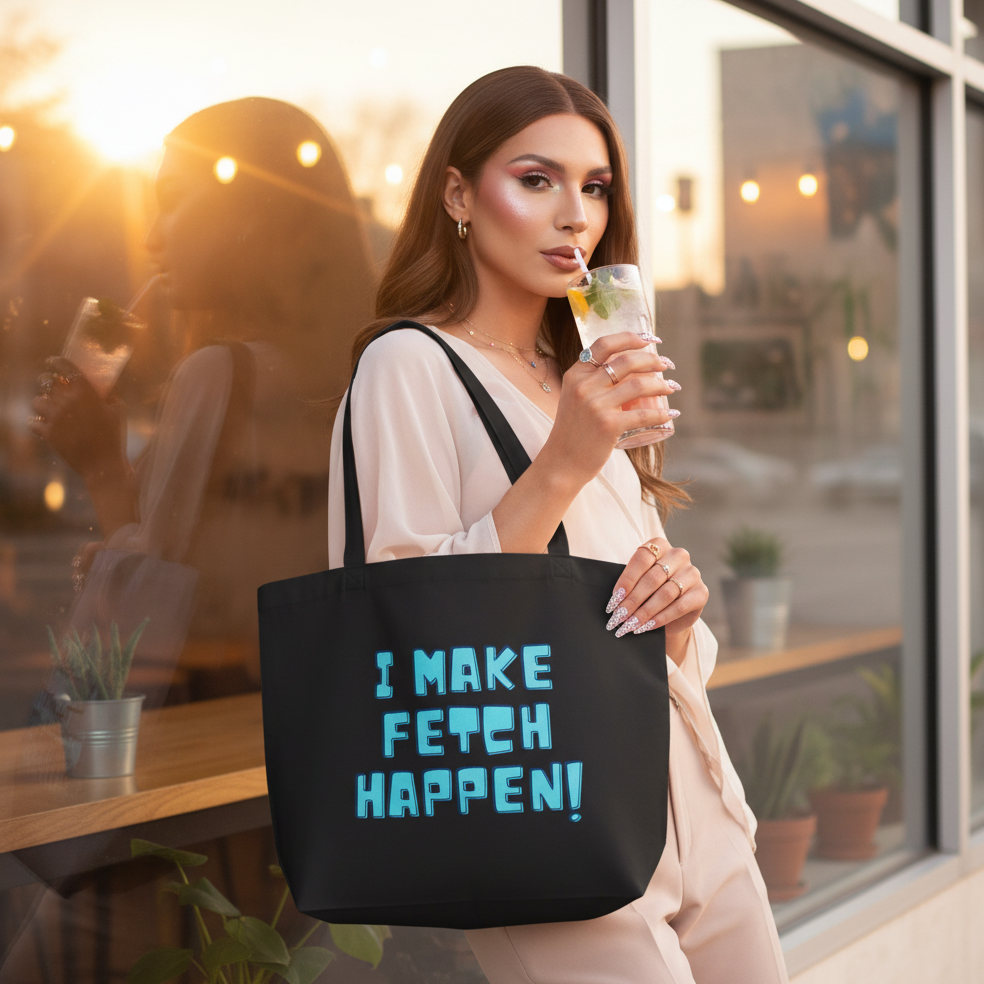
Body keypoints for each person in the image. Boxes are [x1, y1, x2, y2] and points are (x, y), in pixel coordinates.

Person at [328, 67, 788, 984]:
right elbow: (403, 624)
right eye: (536, 179)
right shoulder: (408, 367)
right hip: (544, 789)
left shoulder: (574, 369)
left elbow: (637, 632)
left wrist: (681, 611)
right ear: (457, 193)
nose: (575, 214)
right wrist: (566, 462)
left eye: (594, 187)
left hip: (690, 783)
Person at [32, 97, 374, 699]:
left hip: (210, 737)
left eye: (171, 200)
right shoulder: (363, 368)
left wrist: (103, 469)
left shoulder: (222, 374)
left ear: (247, 213)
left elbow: (154, 608)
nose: (151, 235)